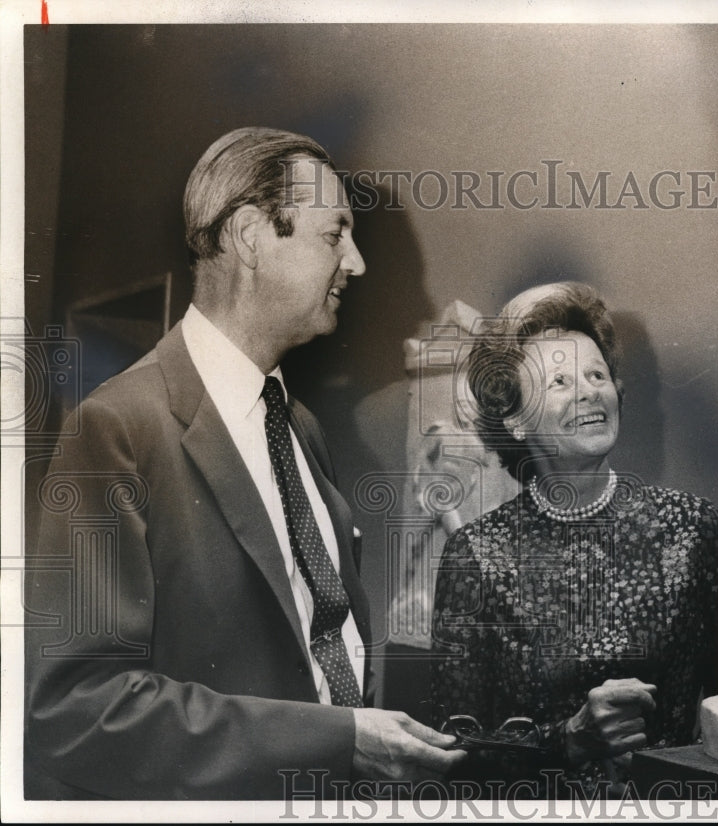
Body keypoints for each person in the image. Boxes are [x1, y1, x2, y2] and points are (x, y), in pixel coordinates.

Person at [24, 127, 464, 799]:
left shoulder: (302, 429)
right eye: (334, 232)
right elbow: (79, 709)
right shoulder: (115, 428)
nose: (357, 262)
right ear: (252, 235)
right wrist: (337, 741)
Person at [430, 282, 718, 796]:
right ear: (515, 419)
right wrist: (569, 739)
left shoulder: (693, 529)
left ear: (617, 392)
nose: (587, 391)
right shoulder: (477, 553)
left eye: (596, 374)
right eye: (559, 380)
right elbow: (457, 754)